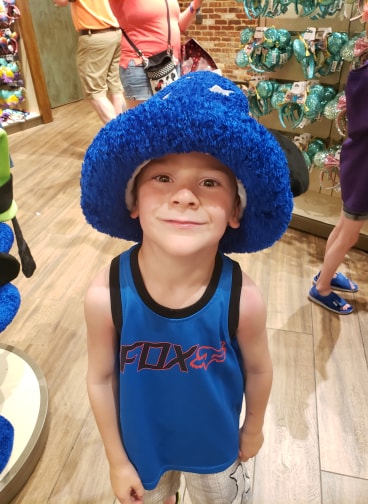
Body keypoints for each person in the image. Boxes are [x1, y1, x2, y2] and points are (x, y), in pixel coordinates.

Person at [81, 72, 294, 504]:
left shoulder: (243, 298)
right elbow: (101, 378)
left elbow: (258, 369)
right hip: (143, 453)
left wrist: (252, 428)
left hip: (218, 450)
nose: (184, 196)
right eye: (162, 178)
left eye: (210, 182)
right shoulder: (106, 296)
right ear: (132, 201)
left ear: (236, 209)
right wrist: (116, 460)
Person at [308, 61, 368, 315]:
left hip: (359, 159)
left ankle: (326, 274)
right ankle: (321, 288)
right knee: (349, 233)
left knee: (345, 225)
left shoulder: (362, 69)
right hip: (364, 164)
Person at [108, 0, 204, 109]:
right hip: (140, 67)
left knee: (169, 117)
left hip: (170, 64)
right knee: (143, 122)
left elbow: (178, 26)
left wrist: (195, 5)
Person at [54, 0, 126, 123]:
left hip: (96, 36)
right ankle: (128, 130)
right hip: (115, 33)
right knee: (115, 87)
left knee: (95, 92)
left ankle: (120, 137)